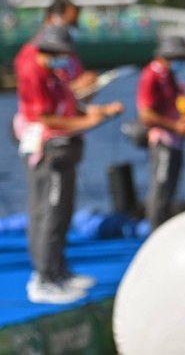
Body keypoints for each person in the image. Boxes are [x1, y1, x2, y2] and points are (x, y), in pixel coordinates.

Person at [15, 25, 124, 304]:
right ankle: (44, 277)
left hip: (65, 151)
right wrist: (87, 122)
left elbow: (69, 106)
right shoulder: (34, 73)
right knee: (47, 214)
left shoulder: (56, 74)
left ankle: (59, 271)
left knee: (62, 212)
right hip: (47, 153)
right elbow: (47, 118)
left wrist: (96, 111)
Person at [136, 35, 185, 231]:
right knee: (160, 189)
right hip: (162, 139)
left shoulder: (168, 75)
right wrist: (174, 126)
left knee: (169, 188)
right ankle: (156, 230)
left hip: (175, 140)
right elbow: (146, 114)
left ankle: (163, 227)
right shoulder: (151, 75)